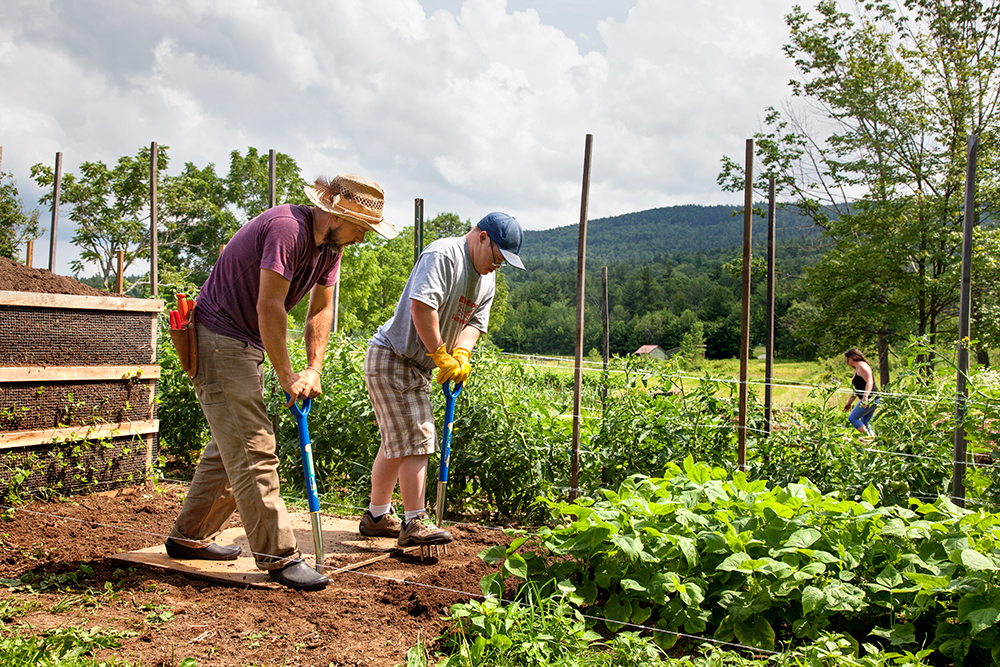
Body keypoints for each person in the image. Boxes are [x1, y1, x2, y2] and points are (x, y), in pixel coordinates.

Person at [165, 173, 398, 591]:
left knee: (231, 445)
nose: (362, 238)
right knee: (254, 446)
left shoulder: (332, 246)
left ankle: (189, 536)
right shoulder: (287, 229)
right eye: (360, 228)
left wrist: (313, 369)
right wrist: (286, 374)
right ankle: (279, 556)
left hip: (246, 340)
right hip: (218, 337)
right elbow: (269, 305)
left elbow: (321, 310)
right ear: (332, 214)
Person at [359, 211, 525, 550]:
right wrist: (439, 353)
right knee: (418, 436)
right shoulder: (444, 254)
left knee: (398, 442)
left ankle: (377, 517)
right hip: (393, 356)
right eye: (497, 256)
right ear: (482, 238)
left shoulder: (487, 280)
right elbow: (422, 307)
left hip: (417, 365)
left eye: (504, 262)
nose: (497, 265)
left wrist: (460, 355)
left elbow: (474, 324)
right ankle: (414, 521)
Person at [843, 348, 880, 437]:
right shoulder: (858, 367)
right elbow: (856, 390)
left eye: (847, 358)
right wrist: (849, 403)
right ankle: (872, 444)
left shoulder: (862, 366)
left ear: (852, 358)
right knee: (865, 423)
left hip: (872, 398)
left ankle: (869, 439)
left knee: (852, 418)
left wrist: (865, 398)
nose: (847, 361)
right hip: (872, 399)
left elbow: (870, 381)